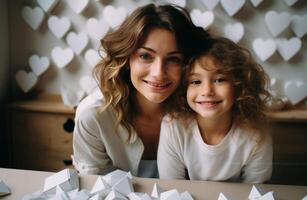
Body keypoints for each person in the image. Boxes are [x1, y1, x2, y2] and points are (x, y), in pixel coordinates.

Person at [72, 3, 207, 177]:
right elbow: (96, 187)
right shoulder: (94, 117)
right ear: (127, 59)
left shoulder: (202, 110)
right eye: (145, 56)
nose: (158, 73)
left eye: (174, 59)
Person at [157, 36, 273, 183]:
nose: (207, 91)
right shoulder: (173, 126)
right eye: (195, 81)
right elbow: (171, 188)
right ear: (183, 88)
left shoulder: (257, 131)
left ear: (239, 85)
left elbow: (256, 190)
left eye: (219, 80)